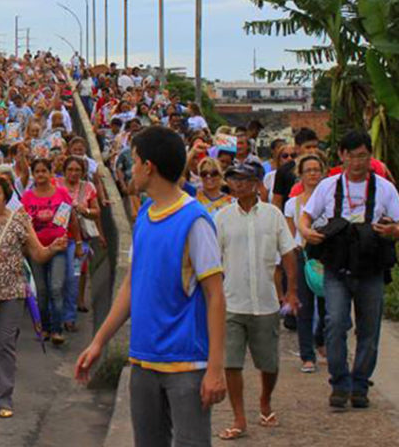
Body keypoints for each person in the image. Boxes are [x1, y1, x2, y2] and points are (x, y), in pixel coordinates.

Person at [75, 126, 227, 446]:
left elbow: (215, 296)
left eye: (135, 160)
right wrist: (100, 341)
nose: (131, 168)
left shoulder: (195, 220)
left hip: (186, 362)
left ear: (149, 167)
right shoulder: (145, 214)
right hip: (143, 359)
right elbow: (132, 284)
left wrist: (215, 368)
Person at [299, 130, 399, 409]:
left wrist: (392, 231)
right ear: (342, 156)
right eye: (352, 156)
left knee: (370, 329)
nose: (358, 163)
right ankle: (340, 381)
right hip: (337, 266)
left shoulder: (385, 189)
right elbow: (306, 216)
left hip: (371, 266)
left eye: (363, 156)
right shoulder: (329, 186)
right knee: (335, 322)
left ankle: (360, 383)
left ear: (370, 157)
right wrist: (307, 232)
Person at [0, 173, 65, 418]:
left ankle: (4, 398)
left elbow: (38, 254)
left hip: (12, 292)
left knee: (2, 345)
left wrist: (52, 249)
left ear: (6, 196)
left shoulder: (19, 220)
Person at [215, 162, 299, 440]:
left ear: (256, 183)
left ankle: (265, 400)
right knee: (232, 363)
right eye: (234, 179)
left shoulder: (273, 216)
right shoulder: (222, 217)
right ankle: (239, 417)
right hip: (232, 300)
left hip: (265, 301)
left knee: (269, 363)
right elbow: (213, 260)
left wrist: (292, 291)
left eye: (244, 179)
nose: (238, 184)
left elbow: (288, 253)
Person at [20, 158, 78, 345]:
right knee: (42, 290)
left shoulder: (61, 193)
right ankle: (44, 327)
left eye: (44, 171)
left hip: (59, 246)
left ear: (50, 172)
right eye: (37, 172)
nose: (41, 175)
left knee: (56, 287)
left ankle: (56, 329)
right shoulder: (28, 197)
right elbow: (23, 225)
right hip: (36, 248)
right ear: (33, 175)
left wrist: (76, 242)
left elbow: (72, 218)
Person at [283, 153, 329, 373]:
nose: (313, 174)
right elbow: (289, 235)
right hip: (302, 255)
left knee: (328, 305)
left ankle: (321, 340)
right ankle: (307, 355)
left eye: (316, 170)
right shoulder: (292, 204)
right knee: (304, 306)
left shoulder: (330, 201)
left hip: (327, 254)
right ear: (300, 174)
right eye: (308, 170)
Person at [59, 156, 101, 323]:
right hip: (58, 236)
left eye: (77, 170)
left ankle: (69, 317)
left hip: (80, 239)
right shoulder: (56, 185)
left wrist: (85, 211)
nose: (74, 173)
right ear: (64, 171)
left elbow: (97, 212)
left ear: (83, 172)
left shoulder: (88, 187)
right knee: (57, 279)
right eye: (70, 169)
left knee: (73, 277)